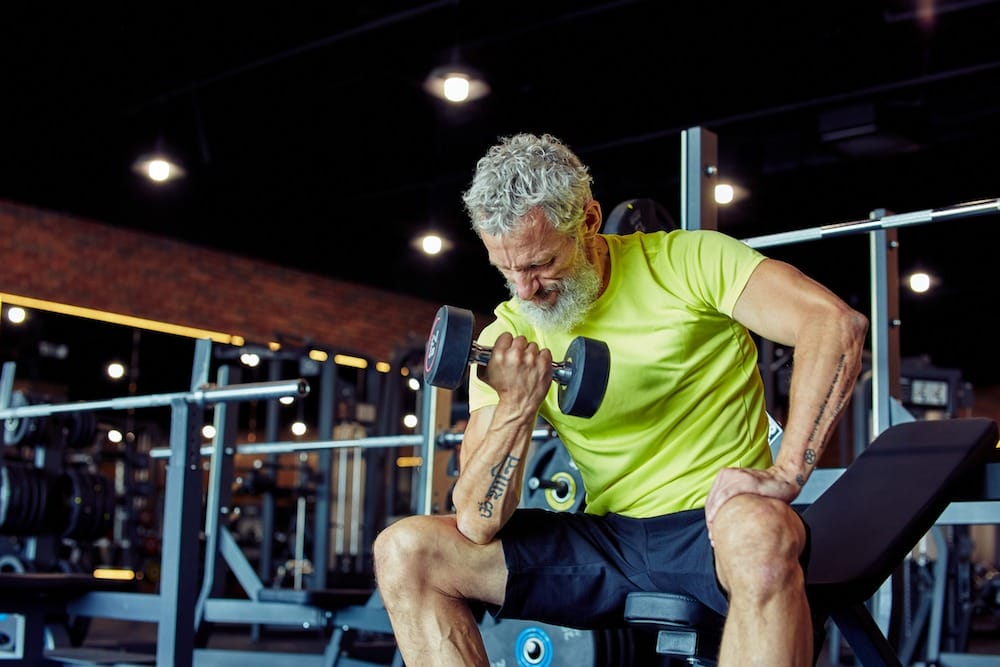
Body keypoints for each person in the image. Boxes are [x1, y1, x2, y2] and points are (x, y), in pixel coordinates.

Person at [373, 132, 868, 666]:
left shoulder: (688, 262)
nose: (524, 289)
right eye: (506, 269)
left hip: (712, 523)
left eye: (540, 263)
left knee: (761, 533)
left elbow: (834, 324)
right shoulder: (506, 337)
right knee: (406, 551)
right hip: (608, 541)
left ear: (588, 219)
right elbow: (477, 523)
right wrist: (517, 407)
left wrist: (787, 472)